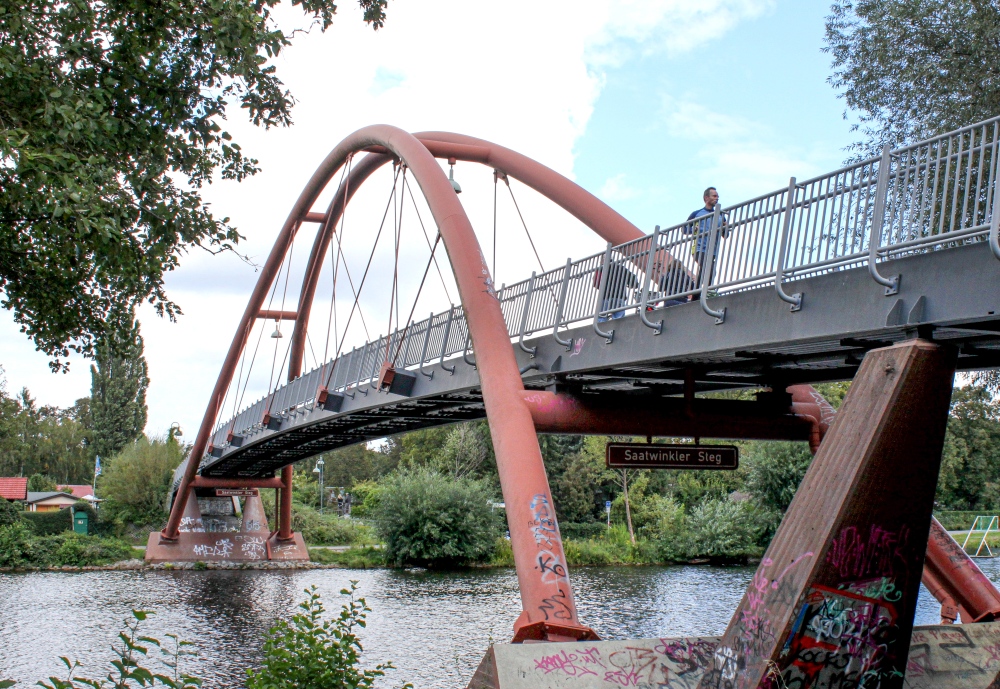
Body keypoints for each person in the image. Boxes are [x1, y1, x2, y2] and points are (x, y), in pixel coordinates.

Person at [685, 187, 730, 290]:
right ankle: (705, 291)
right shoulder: (696, 214)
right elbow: (684, 229)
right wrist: (693, 230)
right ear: (706, 198)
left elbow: (725, 235)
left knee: (709, 270)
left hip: (712, 250)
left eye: (717, 196)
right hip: (699, 248)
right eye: (714, 196)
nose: (717, 198)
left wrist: (725, 227)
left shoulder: (720, 215)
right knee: (708, 267)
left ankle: (699, 293)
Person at [594, 255, 638, 321]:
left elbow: (595, 283)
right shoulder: (621, 268)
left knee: (601, 318)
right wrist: (633, 285)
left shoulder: (600, 269)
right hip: (619, 297)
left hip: (604, 297)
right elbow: (633, 280)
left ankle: (601, 326)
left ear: (602, 261)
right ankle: (617, 326)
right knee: (618, 319)